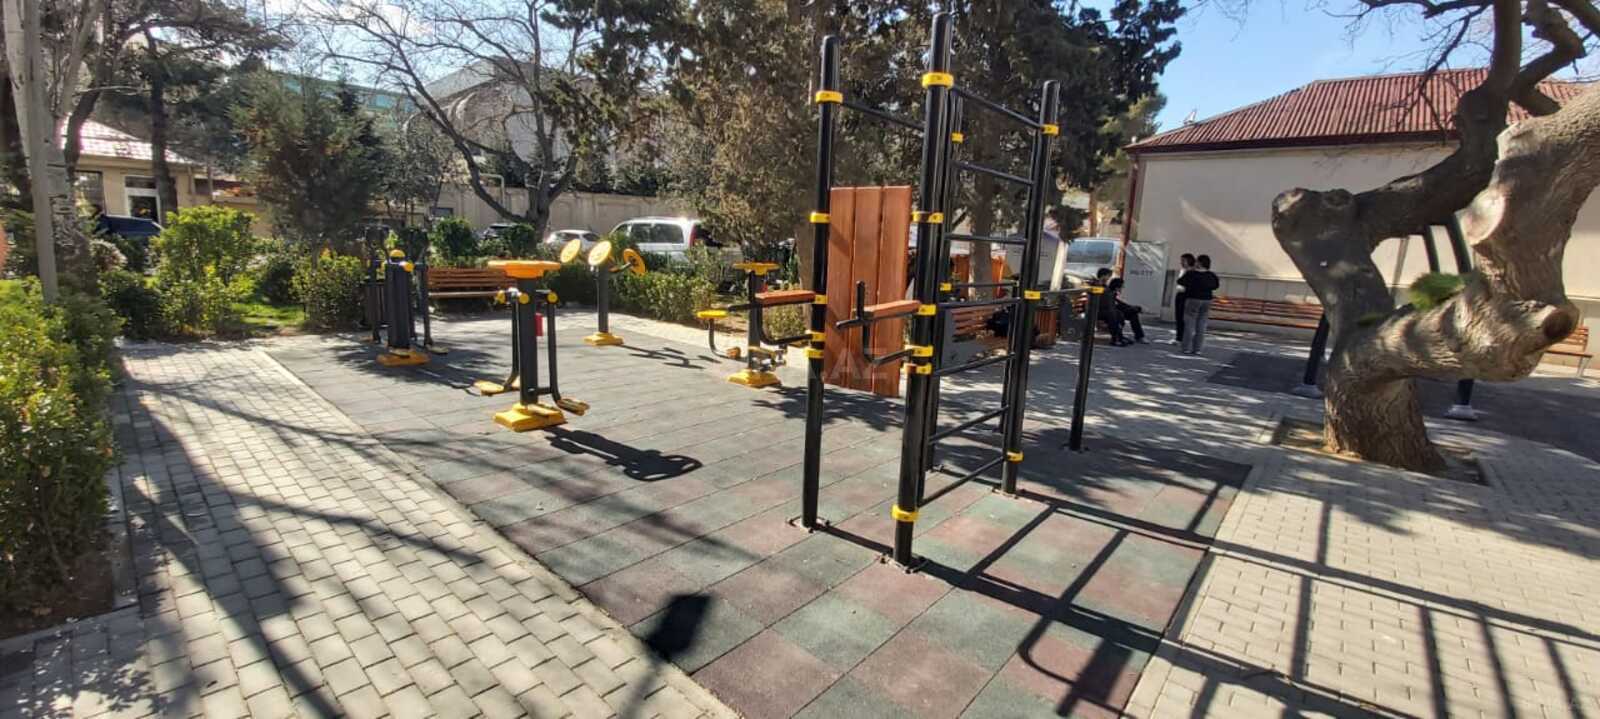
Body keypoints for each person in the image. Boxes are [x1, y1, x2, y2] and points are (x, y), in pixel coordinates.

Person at [1177, 254, 1219, 355]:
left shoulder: (1192, 274)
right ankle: (1197, 349)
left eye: (1196, 261)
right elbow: (1216, 286)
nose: (1195, 263)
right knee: (1201, 324)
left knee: (1189, 323)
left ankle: (1186, 348)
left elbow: (1180, 281)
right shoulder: (1211, 275)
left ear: (1199, 263)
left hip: (1193, 299)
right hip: (1207, 300)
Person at [1108, 278, 1146, 344]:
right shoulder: (1110, 294)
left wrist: (1134, 308)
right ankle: (1139, 337)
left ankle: (1139, 337)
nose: (1123, 288)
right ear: (1117, 287)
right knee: (1132, 312)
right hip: (1114, 313)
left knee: (1133, 314)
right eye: (1122, 286)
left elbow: (1122, 304)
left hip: (1117, 312)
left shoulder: (1113, 293)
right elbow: (1118, 306)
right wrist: (1137, 308)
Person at [1173, 253, 1196, 345]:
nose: (1181, 262)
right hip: (1180, 293)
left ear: (1189, 261)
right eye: (1181, 260)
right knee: (1178, 317)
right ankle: (1179, 337)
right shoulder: (1183, 270)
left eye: (1183, 261)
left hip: (1187, 295)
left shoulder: (1192, 272)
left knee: (1184, 318)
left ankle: (1183, 338)